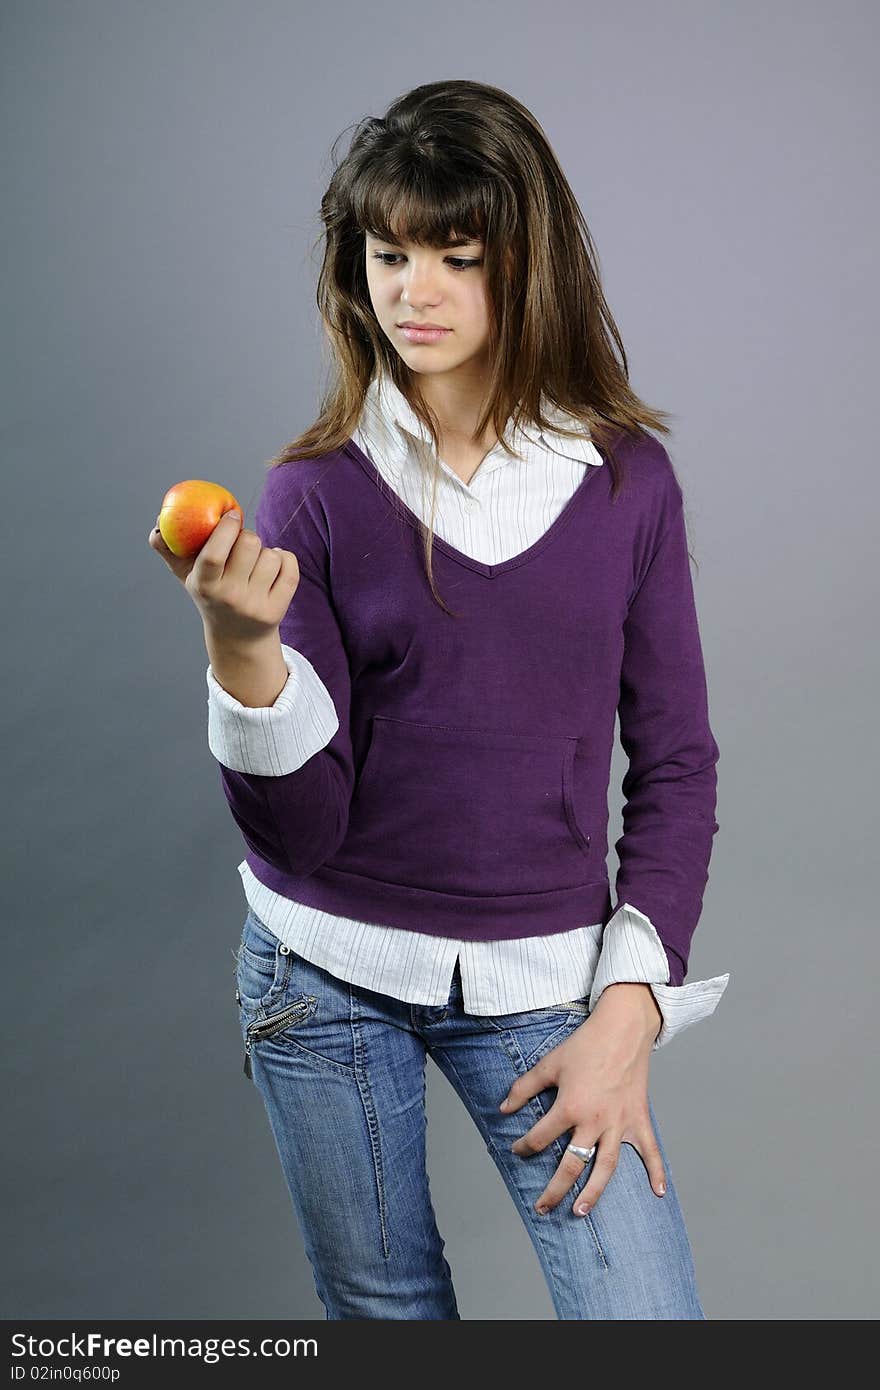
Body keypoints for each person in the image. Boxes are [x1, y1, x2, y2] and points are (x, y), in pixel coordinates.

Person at [149, 79, 729, 1320]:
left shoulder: (627, 484)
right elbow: (302, 831)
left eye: (455, 257)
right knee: (388, 1316)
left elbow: (676, 764)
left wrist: (630, 1002)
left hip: (541, 979)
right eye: (388, 253)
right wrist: (237, 645)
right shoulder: (315, 490)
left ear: (527, 264)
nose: (412, 290)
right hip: (323, 971)